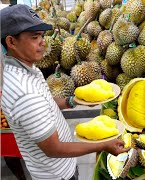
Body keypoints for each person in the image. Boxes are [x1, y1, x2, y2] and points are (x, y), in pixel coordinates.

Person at [0, 5, 129, 180]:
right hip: (56, 175)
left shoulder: (28, 69)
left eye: (42, 36)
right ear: (11, 42)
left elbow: (45, 102)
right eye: (34, 37)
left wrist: (73, 101)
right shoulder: (24, 93)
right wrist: (103, 146)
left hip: (60, 168)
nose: (43, 42)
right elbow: (54, 149)